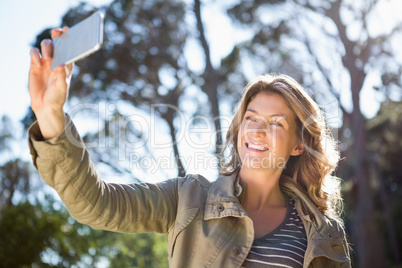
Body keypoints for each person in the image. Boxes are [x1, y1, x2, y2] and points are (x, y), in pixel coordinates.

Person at [28, 28, 351, 267]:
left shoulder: (324, 233)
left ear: (298, 145)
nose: (257, 130)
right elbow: (96, 204)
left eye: (276, 123)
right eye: (251, 118)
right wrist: (50, 114)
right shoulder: (189, 198)